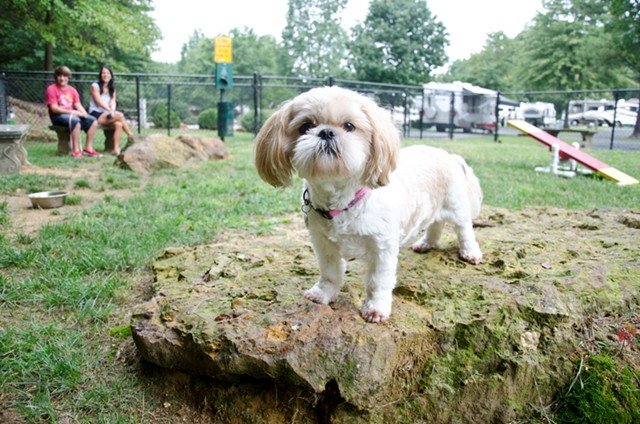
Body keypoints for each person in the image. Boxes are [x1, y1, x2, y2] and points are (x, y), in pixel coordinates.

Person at [46, 66, 100, 158]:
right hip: (57, 116)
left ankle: (88, 148)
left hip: (72, 115)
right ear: (56, 77)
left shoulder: (72, 90)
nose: (62, 78)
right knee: (76, 121)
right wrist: (74, 113)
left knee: (93, 121)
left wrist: (84, 113)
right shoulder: (51, 89)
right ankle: (76, 151)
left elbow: (78, 104)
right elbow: (54, 109)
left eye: (64, 76)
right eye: (59, 76)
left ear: (68, 77)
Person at [89, 65, 135, 155]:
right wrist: (111, 111)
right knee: (120, 115)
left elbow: (113, 101)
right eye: (103, 73)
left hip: (108, 114)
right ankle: (131, 135)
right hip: (96, 115)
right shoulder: (95, 86)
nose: (105, 75)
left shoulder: (112, 88)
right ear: (100, 75)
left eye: (108, 73)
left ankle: (116, 149)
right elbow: (98, 102)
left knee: (118, 124)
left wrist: (112, 110)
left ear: (111, 75)